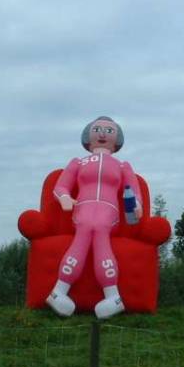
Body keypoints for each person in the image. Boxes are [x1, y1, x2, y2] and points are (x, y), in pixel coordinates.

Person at [46, 116, 142, 319]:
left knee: (98, 229)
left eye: (108, 131)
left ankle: (67, 291)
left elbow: (133, 188)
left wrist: (137, 206)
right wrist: (64, 197)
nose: (101, 134)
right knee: (86, 228)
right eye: (97, 129)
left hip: (109, 212)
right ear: (88, 135)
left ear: (117, 139)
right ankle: (67, 292)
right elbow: (61, 185)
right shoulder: (78, 162)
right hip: (82, 209)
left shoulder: (122, 166)